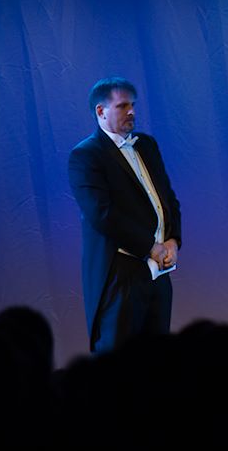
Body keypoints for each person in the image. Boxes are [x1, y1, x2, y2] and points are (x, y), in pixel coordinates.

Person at [68, 77, 181, 353]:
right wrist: (149, 247)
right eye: (122, 106)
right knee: (118, 365)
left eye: (132, 105)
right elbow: (102, 215)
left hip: (157, 273)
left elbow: (167, 198)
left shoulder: (146, 145)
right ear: (100, 111)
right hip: (120, 274)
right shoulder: (87, 155)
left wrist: (173, 241)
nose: (131, 111)